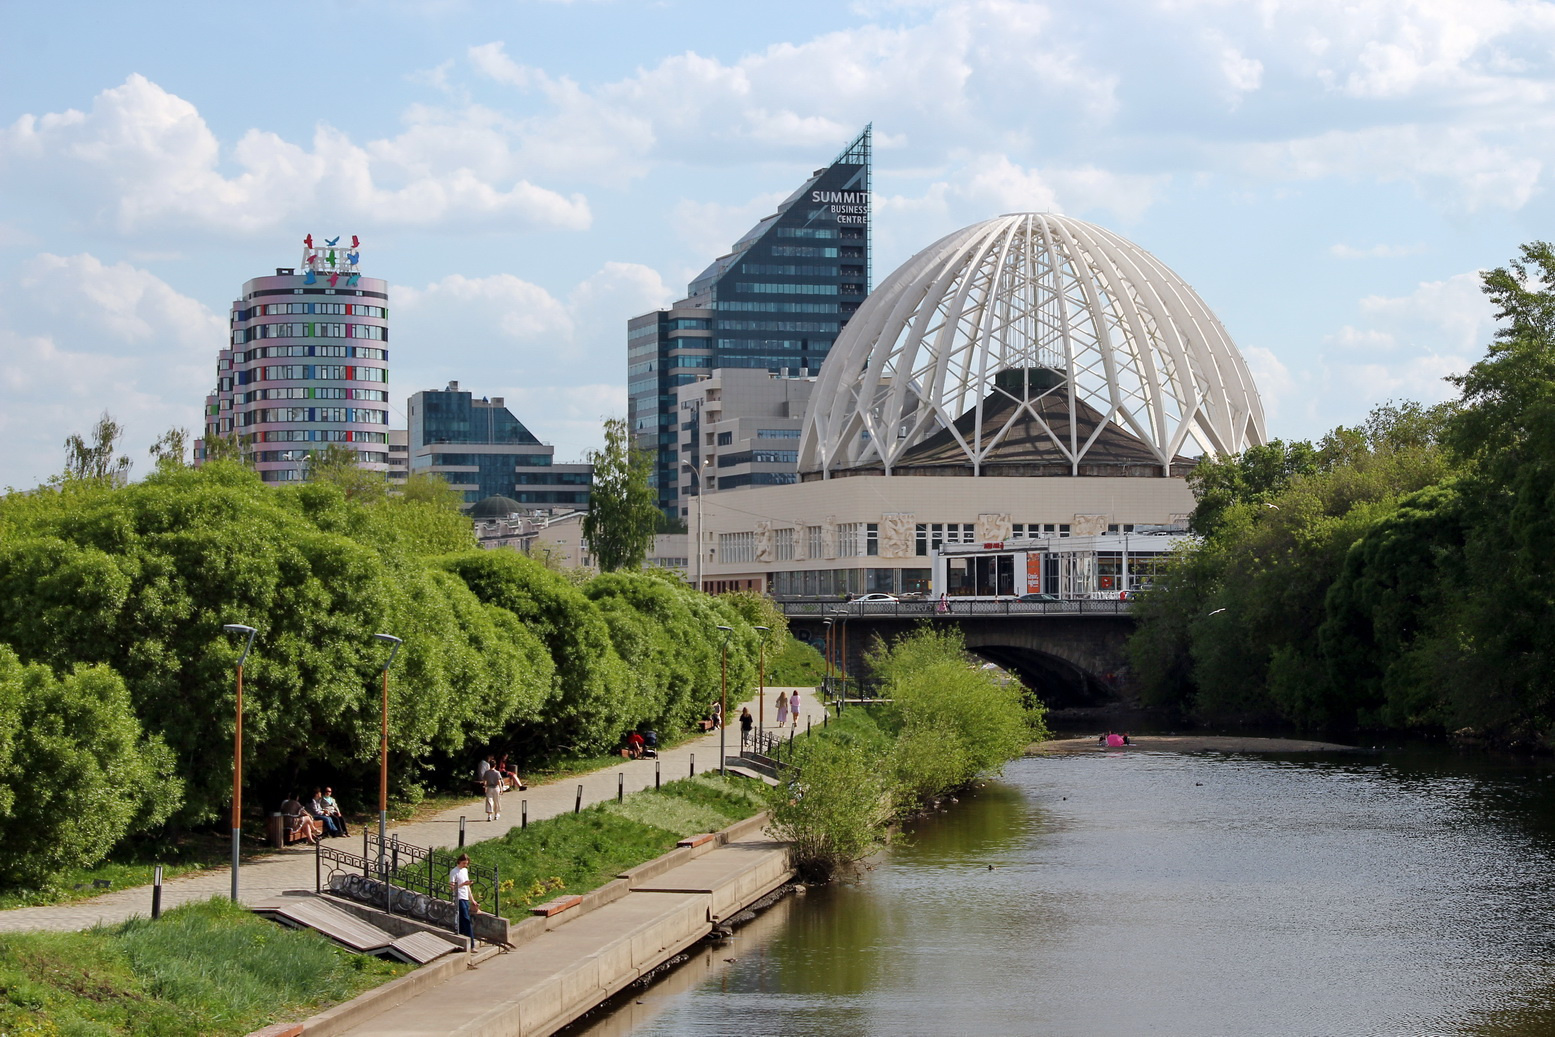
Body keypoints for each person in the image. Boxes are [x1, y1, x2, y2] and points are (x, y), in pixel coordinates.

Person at [449, 852, 478, 948]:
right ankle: (472, 943)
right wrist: (462, 885)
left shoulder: (465, 871)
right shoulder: (454, 871)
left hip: (465, 897)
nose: (465, 865)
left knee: (462, 919)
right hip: (459, 897)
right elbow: (452, 887)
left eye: (466, 863)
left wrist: (472, 899)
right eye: (463, 863)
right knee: (466, 918)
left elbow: (468, 887)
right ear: (459, 862)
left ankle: (461, 935)